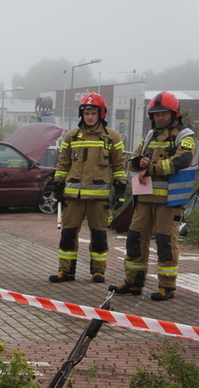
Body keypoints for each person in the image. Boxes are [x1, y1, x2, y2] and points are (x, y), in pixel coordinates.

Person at [110, 91, 198, 301]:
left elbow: (180, 161)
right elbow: (130, 160)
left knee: (165, 243)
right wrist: (138, 162)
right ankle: (133, 283)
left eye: (164, 113)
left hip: (170, 201)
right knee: (134, 239)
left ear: (174, 114)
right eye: (156, 114)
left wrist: (149, 169)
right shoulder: (149, 136)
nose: (160, 117)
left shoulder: (185, 136)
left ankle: (166, 287)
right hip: (145, 200)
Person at [49, 92, 126, 284]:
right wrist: (58, 186)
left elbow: (119, 166)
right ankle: (65, 271)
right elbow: (63, 164)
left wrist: (121, 189)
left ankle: (98, 272)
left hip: (99, 199)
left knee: (99, 236)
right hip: (73, 197)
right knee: (67, 235)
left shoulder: (112, 138)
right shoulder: (71, 136)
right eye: (86, 113)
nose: (89, 116)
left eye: (93, 112)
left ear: (101, 114)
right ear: (81, 114)